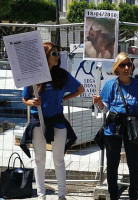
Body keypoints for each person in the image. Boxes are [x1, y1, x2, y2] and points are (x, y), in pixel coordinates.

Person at [21, 42, 85, 200]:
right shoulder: (34, 76)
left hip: (57, 121)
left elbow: (80, 89)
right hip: (38, 122)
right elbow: (24, 98)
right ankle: (41, 195)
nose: (57, 57)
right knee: (39, 160)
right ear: (45, 56)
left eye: (58, 54)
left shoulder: (62, 75)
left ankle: (62, 196)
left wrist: (65, 98)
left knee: (59, 159)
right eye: (54, 54)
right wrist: (32, 103)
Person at [93, 52, 138, 200]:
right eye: (122, 65)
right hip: (113, 127)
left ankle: (133, 195)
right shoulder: (110, 84)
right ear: (116, 68)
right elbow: (105, 108)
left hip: (132, 127)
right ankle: (113, 195)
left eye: (128, 64)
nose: (126, 67)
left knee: (134, 164)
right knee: (112, 163)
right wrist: (99, 103)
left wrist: (132, 118)